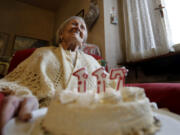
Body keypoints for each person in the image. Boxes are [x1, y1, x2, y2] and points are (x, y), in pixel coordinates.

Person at [0, 16, 114, 134]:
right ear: (61, 34)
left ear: (83, 40)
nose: (78, 28)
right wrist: (26, 95)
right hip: (45, 113)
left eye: (82, 27)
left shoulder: (93, 61)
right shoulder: (43, 53)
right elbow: (19, 81)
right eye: (74, 24)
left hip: (87, 115)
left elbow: (110, 86)